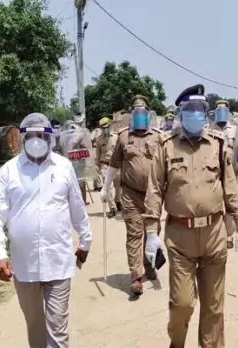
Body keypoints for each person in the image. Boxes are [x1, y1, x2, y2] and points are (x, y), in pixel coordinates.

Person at [143, 84, 238, 348]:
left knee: (214, 309)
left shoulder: (218, 145)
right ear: (180, 113)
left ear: (206, 113)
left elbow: (230, 187)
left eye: (199, 109)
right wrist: (150, 232)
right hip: (180, 239)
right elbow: (155, 189)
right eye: (189, 110)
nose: (194, 115)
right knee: (182, 304)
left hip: (214, 234)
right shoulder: (166, 147)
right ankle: (176, 343)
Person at [0, 112, 92, 348]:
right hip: (24, 266)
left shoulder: (63, 167)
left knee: (57, 330)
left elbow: (76, 206)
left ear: (49, 138)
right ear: (23, 138)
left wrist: (85, 241)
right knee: (34, 327)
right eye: (30, 135)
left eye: (41, 135)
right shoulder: (9, 171)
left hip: (58, 263)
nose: (36, 140)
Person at [100, 95, 162, 296]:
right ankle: (136, 276)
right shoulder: (123, 136)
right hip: (130, 194)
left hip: (153, 195)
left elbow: (166, 167)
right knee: (134, 233)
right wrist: (105, 187)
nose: (139, 114)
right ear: (131, 114)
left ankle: (149, 263)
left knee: (152, 232)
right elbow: (114, 164)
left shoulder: (158, 136)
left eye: (143, 111)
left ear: (148, 113)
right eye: (136, 111)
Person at [209, 99, 238, 250]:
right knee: (216, 203)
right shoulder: (209, 128)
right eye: (218, 108)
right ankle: (217, 234)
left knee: (231, 204)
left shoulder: (234, 129)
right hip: (214, 173)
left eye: (223, 109)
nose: (221, 111)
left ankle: (229, 235)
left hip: (231, 172)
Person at [59, 120, 93, 205]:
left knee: (79, 182)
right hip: (72, 162)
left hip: (74, 162)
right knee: (76, 183)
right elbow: (70, 145)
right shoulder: (66, 136)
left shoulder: (64, 135)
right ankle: (78, 202)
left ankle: (81, 201)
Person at [95, 117, 120, 218]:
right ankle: (112, 207)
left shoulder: (117, 137)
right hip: (105, 165)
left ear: (110, 126)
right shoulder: (99, 139)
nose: (105, 129)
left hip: (117, 165)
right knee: (107, 187)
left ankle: (118, 201)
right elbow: (97, 154)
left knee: (119, 187)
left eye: (107, 127)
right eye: (103, 127)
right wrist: (97, 165)